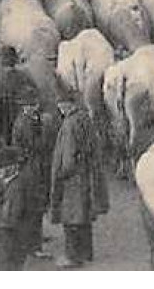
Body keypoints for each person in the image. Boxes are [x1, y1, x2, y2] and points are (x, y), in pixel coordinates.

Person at [49, 93, 110, 269]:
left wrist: (60, 174)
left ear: (67, 104)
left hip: (72, 179)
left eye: (61, 104)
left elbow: (68, 157)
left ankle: (72, 257)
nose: (60, 108)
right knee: (84, 216)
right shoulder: (85, 118)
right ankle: (86, 252)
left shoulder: (68, 125)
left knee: (71, 218)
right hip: (86, 175)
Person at [0, 145, 35, 270]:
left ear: (13, 167)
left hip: (9, 243)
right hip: (1, 241)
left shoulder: (16, 188)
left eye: (1, 167)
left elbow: (9, 218)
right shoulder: (4, 184)